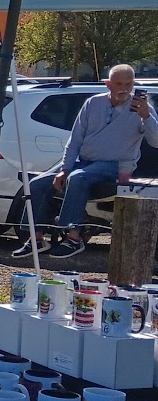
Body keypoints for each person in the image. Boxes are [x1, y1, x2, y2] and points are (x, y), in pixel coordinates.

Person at [14, 64, 158, 259]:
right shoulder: (93, 103)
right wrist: (64, 168)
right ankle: (36, 238)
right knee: (37, 184)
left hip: (115, 164)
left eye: (129, 83)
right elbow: (75, 139)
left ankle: (73, 237)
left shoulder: (143, 109)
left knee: (78, 178)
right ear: (108, 84)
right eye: (119, 83)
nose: (124, 88)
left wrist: (146, 116)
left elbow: (155, 141)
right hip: (83, 160)